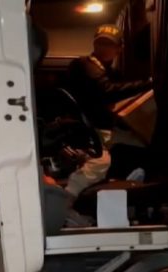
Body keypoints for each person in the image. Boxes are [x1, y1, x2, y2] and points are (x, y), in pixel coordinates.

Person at [61, 24, 153, 203]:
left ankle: (133, 182)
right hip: (84, 130)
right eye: (100, 43)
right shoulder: (84, 64)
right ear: (94, 45)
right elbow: (107, 90)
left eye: (109, 44)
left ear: (119, 49)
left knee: (143, 142)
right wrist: (148, 83)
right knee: (100, 163)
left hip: (105, 130)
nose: (104, 48)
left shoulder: (113, 72)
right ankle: (67, 199)